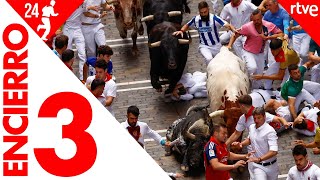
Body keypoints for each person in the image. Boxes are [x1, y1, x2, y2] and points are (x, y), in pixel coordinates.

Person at [227, 8, 283, 88]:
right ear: (252, 19)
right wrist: (229, 45)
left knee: (258, 77)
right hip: (248, 52)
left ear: (261, 18)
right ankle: (240, 77)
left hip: (260, 54)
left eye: (258, 20)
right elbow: (235, 34)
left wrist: (269, 38)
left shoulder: (268, 25)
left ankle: (254, 90)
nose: (256, 22)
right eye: (254, 20)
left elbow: (281, 34)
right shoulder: (247, 27)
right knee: (252, 67)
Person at [173, 1, 237, 65]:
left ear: (208, 9)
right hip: (204, 46)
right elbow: (187, 25)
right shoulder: (196, 19)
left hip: (217, 46)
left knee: (221, 64)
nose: (203, 14)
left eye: (205, 12)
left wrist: (233, 29)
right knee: (209, 59)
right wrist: (181, 31)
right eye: (201, 13)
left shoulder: (214, 18)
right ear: (199, 11)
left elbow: (227, 24)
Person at [233, 107, 279, 180]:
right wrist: (241, 144)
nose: (256, 121)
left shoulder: (270, 131)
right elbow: (250, 139)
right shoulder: (252, 127)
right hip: (258, 166)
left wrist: (259, 159)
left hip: (272, 166)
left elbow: (273, 151)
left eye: (259, 118)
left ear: (264, 117)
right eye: (254, 118)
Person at [63, 2, 98, 83]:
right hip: (68, 29)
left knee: (82, 54)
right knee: (68, 54)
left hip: (78, 29)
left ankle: (82, 78)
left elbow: (85, 13)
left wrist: (97, 16)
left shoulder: (84, 3)